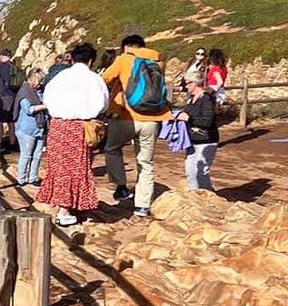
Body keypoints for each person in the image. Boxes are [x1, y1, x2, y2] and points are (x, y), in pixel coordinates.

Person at [36, 43, 109, 227]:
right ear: (90, 60)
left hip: (58, 126)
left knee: (59, 167)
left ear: (73, 58)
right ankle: (65, 209)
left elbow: (47, 98)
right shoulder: (94, 79)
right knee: (75, 168)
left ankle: (63, 205)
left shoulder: (59, 78)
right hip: (78, 127)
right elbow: (103, 103)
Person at [101, 34, 171, 219]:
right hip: (152, 119)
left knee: (112, 149)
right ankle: (142, 206)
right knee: (146, 163)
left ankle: (121, 186)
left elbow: (104, 79)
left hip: (125, 116)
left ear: (126, 47)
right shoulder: (157, 61)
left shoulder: (123, 60)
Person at [176, 74, 219, 190]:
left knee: (201, 173)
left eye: (187, 83)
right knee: (190, 171)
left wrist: (189, 118)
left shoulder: (206, 99)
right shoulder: (192, 99)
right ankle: (194, 198)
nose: (185, 86)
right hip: (192, 141)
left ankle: (208, 198)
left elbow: (207, 121)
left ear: (194, 84)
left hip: (206, 141)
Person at [12, 67, 47, 186]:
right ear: (32, 79)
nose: (40, 84)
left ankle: (33, 177)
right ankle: (21, 179)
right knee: (26, 155)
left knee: (37, 155)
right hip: (26, 129)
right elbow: (28, 109)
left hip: (40, 127)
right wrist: (44, 107)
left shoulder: (40, 91)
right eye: (39, 81)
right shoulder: (24, 92)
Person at [0, 48, 19, 149]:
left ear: (2, 56)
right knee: (11, 120)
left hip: (3, 95)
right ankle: (12, 142)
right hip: (13, 95)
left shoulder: (1, 66)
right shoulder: (13, 67)